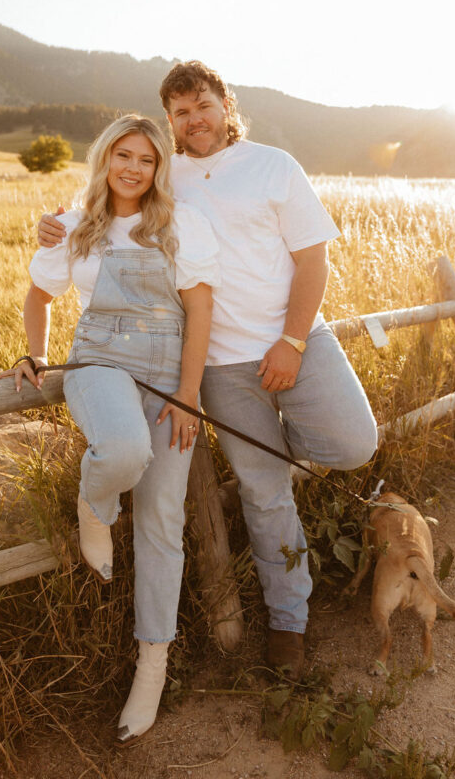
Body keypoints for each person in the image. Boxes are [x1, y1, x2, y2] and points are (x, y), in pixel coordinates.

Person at [37, 62, 378, 680]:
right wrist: (54, 224)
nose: (194, 121)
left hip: (294, 342)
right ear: (171, 122)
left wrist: (293, 340)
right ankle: (289, 624)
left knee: (355, 443)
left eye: (203, 105)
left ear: (226, 104)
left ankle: (284, 472)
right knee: (264, 491)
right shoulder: (170, 181)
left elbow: (313, 260)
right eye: (181, 113)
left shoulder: (274, 165)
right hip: (220, 367)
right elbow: (109, 207)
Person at [0, 113, 218, 742]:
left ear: (158, 169)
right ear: (105, 158)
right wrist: (35, 352)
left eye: (146, 160)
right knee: (121, 450)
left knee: (160, 522)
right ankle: (95, 504)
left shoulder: (181, 224)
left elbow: (200, 307)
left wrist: (188, 393)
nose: (133, 168)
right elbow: (40, 294)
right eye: (123, 154)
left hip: (168, 372)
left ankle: (152, 667)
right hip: (99, 361)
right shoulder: (71, 224)